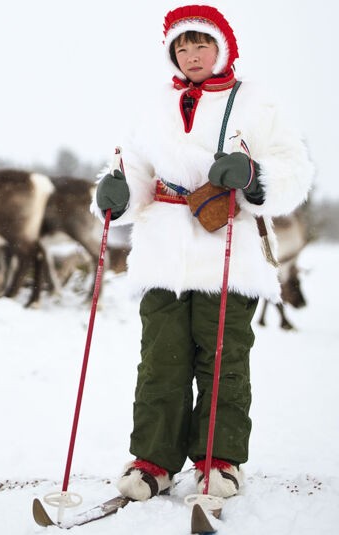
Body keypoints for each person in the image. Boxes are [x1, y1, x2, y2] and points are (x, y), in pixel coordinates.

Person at [91, 5, 313, 501]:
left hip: (229, 248)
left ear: (223, 47)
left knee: (222, 359)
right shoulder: (152, 106)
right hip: (163, 249)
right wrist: (117, 196)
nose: (191, 55)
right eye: (182, 46)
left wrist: (256, 178)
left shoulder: (257, 102)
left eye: (201, 44)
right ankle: (153, 461)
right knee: (161, 362)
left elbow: (294, 168)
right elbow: (134, 168)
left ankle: (220, 461)